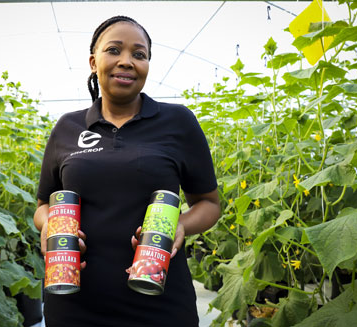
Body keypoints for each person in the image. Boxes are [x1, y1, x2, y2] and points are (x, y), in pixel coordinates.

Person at [34, 15, 220, 327]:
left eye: (139, 54)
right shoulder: (68, 126)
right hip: (72, 302)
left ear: (147, 64)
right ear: (94, 62)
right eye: (114, 50)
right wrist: (48, 225)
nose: (127, 61)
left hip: (160, 300)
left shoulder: (178, 122)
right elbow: (43, 206)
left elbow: (209, 204)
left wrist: (182, 225)